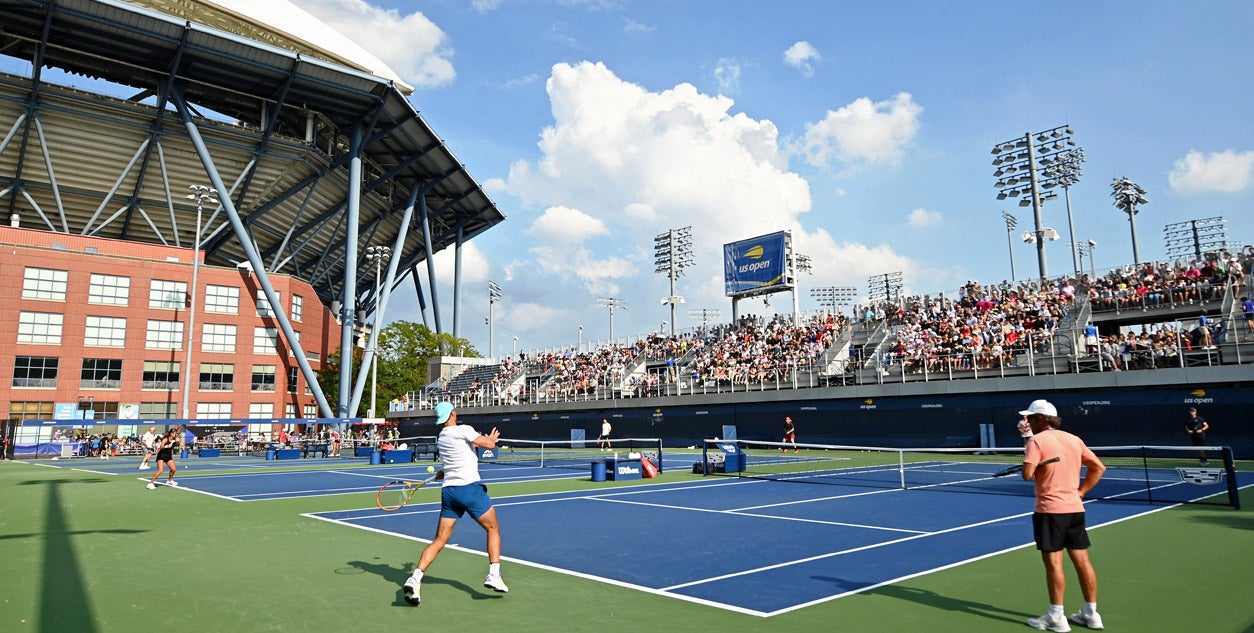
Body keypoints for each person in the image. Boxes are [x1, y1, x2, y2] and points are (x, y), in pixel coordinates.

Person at [402, 402, 507, 606]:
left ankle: (415, 579)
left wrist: (443, 472)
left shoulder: (441, 437)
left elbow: (449, 464)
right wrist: (492, 439)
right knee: (493, 529)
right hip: (469, 489)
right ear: (452, 414)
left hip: (449, 492)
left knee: (439, 540)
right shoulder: (464, 429)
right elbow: (488, 445)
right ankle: (494, 574)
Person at [1019, 399, 1106, 632]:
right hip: (1075, 509)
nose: (1027, 421)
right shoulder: (1074, 439)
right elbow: (1098, 467)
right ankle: (1091, 613)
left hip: (1050, 512)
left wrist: (1028, 448)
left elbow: (1027, 475)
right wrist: (1081, 492)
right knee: (1083, 561)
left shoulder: (1036, 441)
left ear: (1040, 419)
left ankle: (1056, 617)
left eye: (1030, 417)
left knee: (1054, 564)